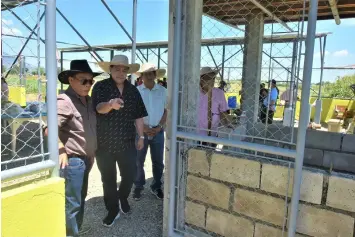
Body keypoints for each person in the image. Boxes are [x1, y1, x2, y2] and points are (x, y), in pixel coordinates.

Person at [46, 60, 101, 237]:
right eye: (83, 80)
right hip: (74, 160)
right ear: (71, 80)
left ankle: (76, 229)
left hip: (86, 159)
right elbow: (49, 129)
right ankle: (70, 234)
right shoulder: (64, 101)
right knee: (73, 203)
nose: (88, 84)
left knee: (79, 199)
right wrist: (61, 148)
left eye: (91, 81)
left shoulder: (87, 100)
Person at [92, 55, 147, 227]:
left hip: (127, 141)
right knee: (108, 179)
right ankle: (113, 209)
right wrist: (110, 104)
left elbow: (139, 116)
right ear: (110, 69)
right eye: (117, 68)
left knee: (129, 175)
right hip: (104, 142)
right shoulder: (100, 86)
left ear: (128, 72)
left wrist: (142, 136)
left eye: (124, 70)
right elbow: (98, 108)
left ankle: (122, 196)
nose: (121, 72)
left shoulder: (133, 90)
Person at [133, 63, 167, 201]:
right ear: (141, 75)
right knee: (138, 160)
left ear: (155, 75)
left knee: (158, 161)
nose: (148, 75)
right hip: (141, 131)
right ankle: (138, 186)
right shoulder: (136, 91)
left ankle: (156, 186)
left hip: (158, 131)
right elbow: (133, 113)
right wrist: (143, 128)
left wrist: (159, 126)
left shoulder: (163, 91)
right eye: (145, 73)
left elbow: (166, 110)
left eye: (151, 72)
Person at [198, 67, 231, 147]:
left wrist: (228, 123)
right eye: (208, 78)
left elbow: (223, 112)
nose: (212, 81)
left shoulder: (219, 93)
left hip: (212, 134)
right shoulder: (194, 93)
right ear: (201, 80)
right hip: (196, 134)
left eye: (213, 78)